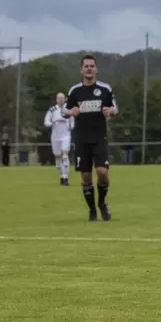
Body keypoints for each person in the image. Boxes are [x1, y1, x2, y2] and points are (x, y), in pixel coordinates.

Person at [63, 55, 117, 221]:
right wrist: (70, 112)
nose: (89, 68)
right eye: (86, 66)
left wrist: (111, 112)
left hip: (99, 136)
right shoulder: (75, 91)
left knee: (102, 172)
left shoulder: (105, 89)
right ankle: (92, 210)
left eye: (92, 66)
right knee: (86, 176)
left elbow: (115, 108)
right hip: (81, 138)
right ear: (81, 69)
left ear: (96, 69)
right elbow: (65, 111)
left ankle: (102, 203)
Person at [44, 92, 74, 185]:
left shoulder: (68, 109)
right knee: (58, 156)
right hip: (55, 136)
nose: (60, 100)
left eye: (62, 98)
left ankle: (65, 177)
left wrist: (71, 126)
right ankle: (62, 175)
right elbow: (46, 121)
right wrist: (50, 123)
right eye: (58, 98)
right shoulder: (52, 110)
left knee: (65, 155)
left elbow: (72, 121)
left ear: (65, 99)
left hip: (66, 135)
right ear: (56, 99)